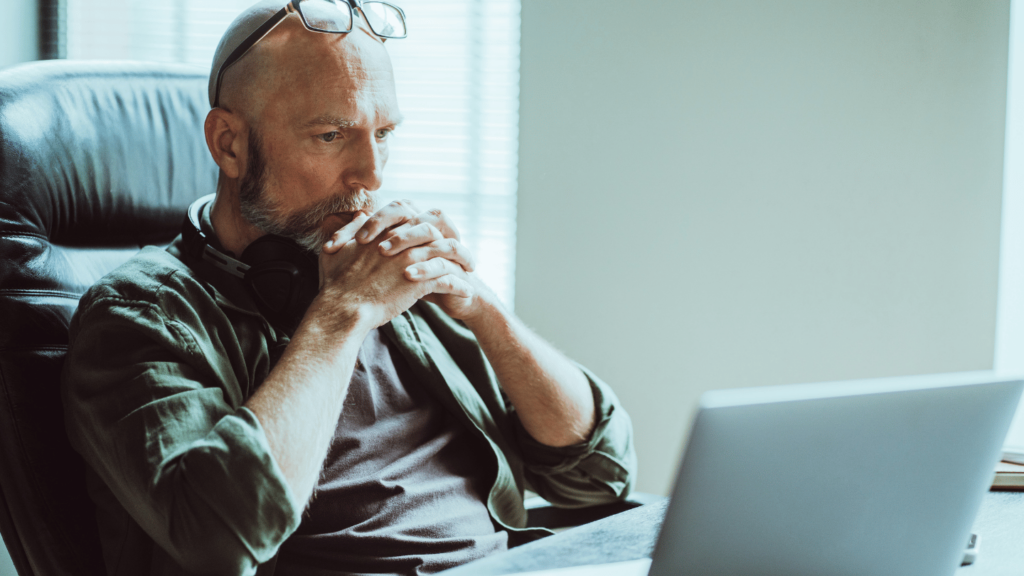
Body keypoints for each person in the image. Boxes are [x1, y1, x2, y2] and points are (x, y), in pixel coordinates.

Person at [60, 1, 636, 575]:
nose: (373, 174)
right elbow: (221, 536)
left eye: (383, 132)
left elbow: (600, 476)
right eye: (332, 135)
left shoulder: (390, 272)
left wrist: (480, 307)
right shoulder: (139, 315)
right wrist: (341, 314)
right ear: (229, 144)